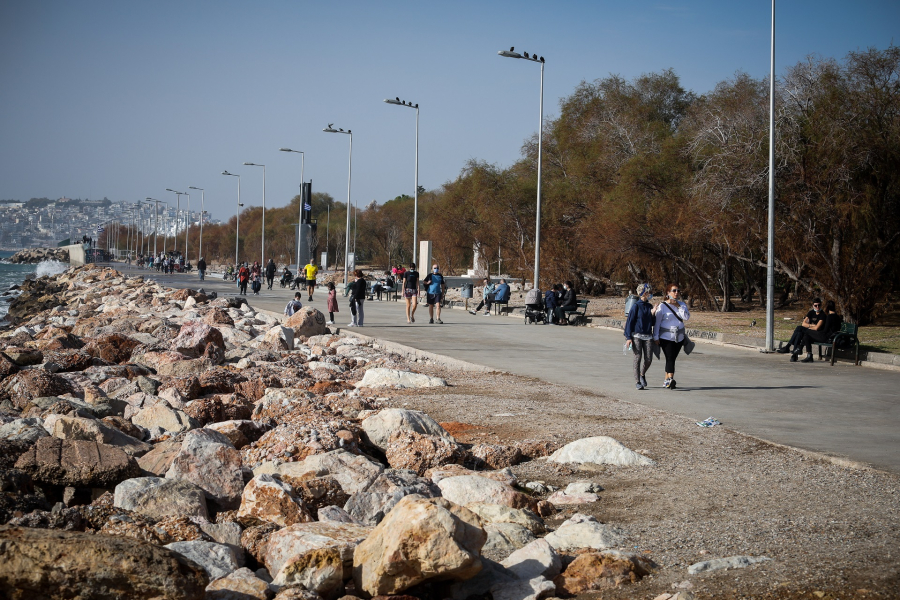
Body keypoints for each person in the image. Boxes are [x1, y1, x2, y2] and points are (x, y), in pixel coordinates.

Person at [653, 283, 691, 389]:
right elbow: (657, 322)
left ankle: (666, 381)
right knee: (669, 357)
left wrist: (678, 306)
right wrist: (655, 337)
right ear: (668, 293)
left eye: (678, 291)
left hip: (679, 337)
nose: (676, 293)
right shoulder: (662, 306)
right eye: (674, 291)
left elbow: (686, 317)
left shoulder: (682, 305)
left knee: (672, 358)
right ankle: (671, 379)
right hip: (666, 337)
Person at [624, 284, 655, 390]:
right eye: (649, 292)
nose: (651, 294)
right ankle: (637, 381)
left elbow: (653, 323)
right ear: (644, 293)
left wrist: (653, 313)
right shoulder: (636, 306)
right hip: (636, 335)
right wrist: (628, 337)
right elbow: (630, 322)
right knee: (637, 358)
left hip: (648, 335)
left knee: (648, 359)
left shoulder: (650, 306)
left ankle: (642, 374)